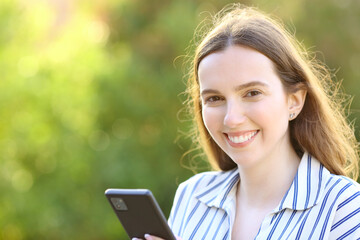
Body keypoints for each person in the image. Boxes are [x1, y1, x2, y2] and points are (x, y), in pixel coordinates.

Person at [134, 4, 360, 240]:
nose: (231, 118)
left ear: (294, 101)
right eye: (214, 98)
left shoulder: (345, 207)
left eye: (252, 93)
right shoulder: (192, 196)